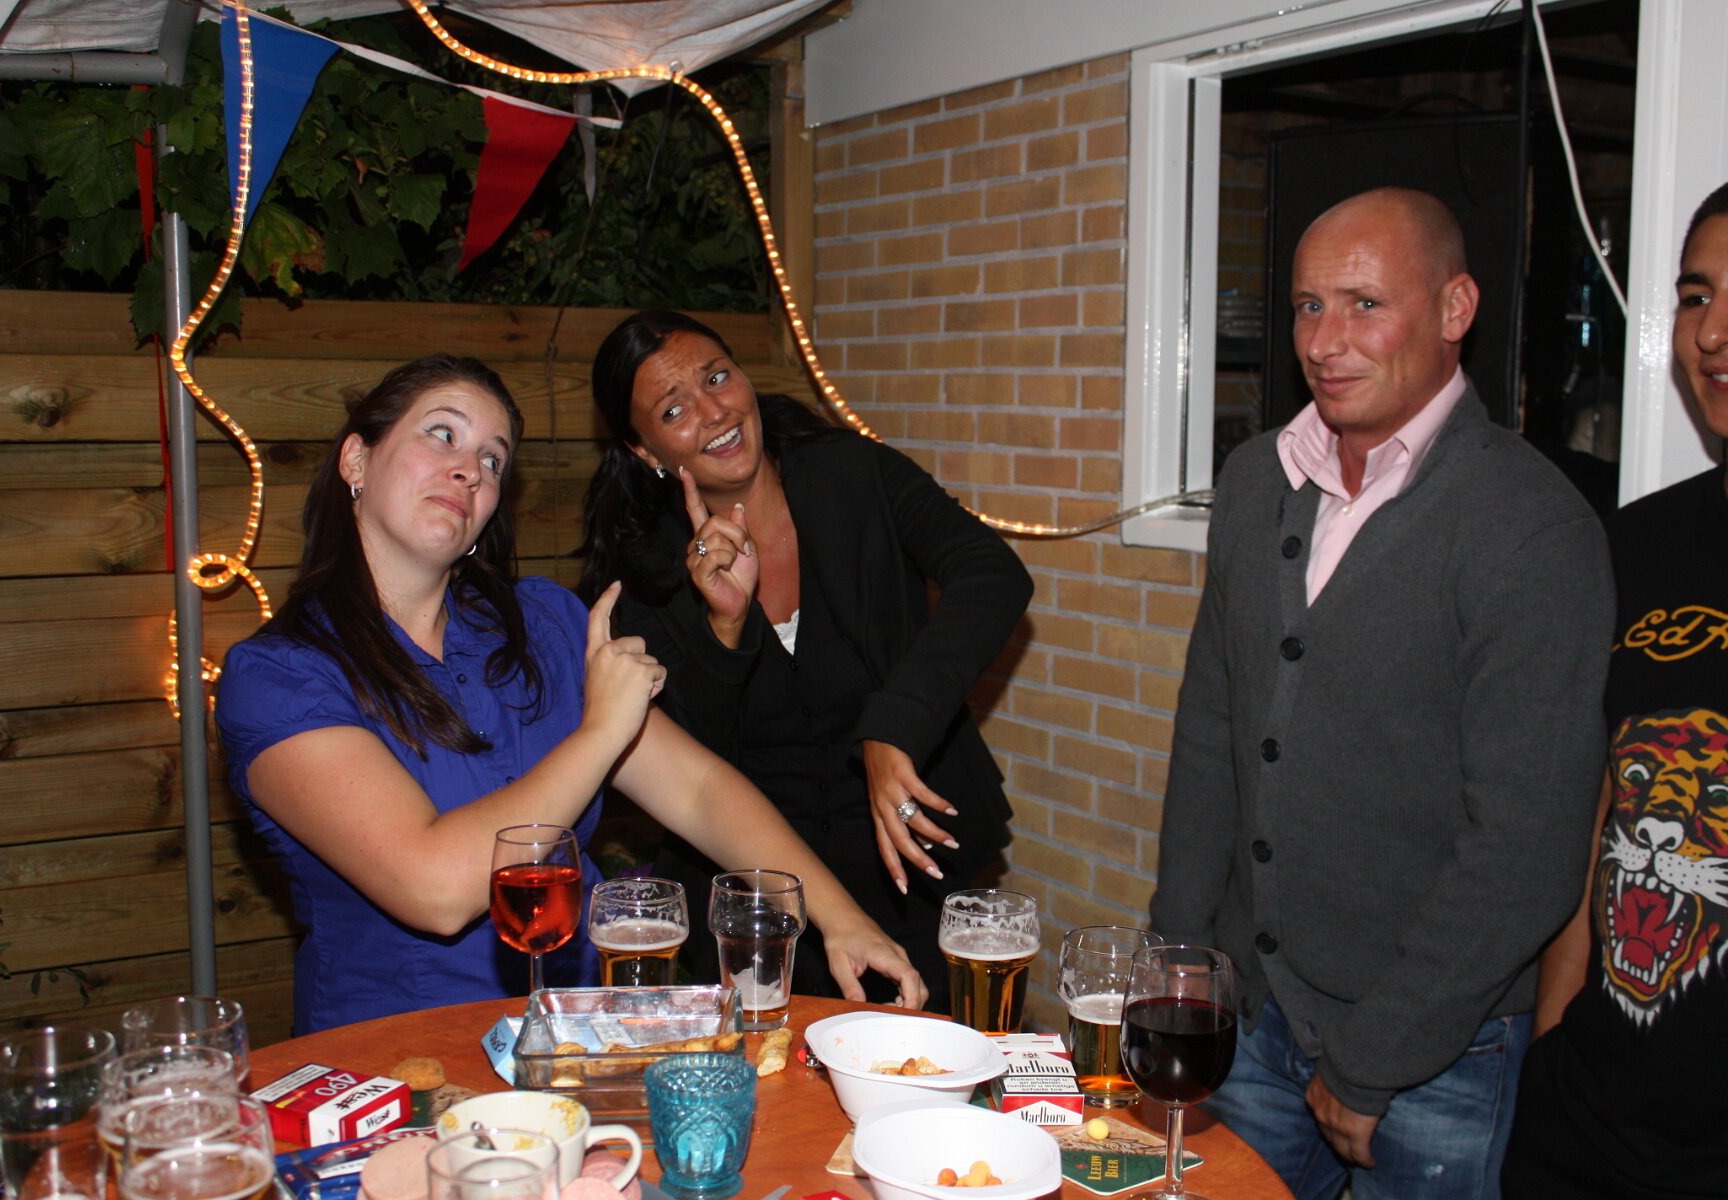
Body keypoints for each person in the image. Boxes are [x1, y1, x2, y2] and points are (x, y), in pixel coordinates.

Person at [215, 354, 925, 1034]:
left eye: (493, 460)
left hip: (582, 1044)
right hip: (398, 1066)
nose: (469, 469)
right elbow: (435, 890)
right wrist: (600, 733)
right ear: (356, 460)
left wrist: (842, 919)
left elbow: (698, 790)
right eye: (442, 435)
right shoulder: (278, 676)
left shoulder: (541, 624)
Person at [1147, 187, 1614, 1200]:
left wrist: (1375, 1060)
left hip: (1439, 1053)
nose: (1326, 341)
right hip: (1253, 1012)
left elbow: (1528, 848)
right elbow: (1212, 731)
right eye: (1308, 306)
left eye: (1365, 304)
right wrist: (1179, 960)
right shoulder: (1256, 481)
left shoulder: (1531, 527)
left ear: (1455, 309)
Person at [578, 310, 1032, 1010]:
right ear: (646, 451)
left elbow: (992, 573)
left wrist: (896, 725)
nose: (713, 412)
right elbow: (686, 769)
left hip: (916, 875)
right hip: (750, 913)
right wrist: (724, 628)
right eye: (674, 410)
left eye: (717, 378)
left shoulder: (852, 474)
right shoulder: (640, 573)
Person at [1501, 183, 1728, 1199]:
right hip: (1586, 1126)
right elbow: (1600, 808)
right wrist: (1553, 1041)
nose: (1711, 333)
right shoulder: (1641, 541)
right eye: (1695, 296)